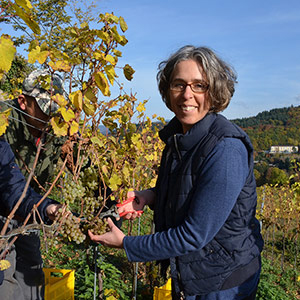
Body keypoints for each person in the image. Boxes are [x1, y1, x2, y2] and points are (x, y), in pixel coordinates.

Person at [88, 45, 264, 300]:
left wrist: (126, 244)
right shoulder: (179, 138)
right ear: (167, 90)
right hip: (195, 273)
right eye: (178, 84)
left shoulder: (226, 149)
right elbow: (190, 191)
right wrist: (150, 196)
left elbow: (194, 234)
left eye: (198, 85)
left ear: (214, 91)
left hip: (223, 282)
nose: (186, 95)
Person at [0, 69, 67, 300]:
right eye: (45, 109)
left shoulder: (55, 128)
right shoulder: (4, 121)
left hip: (30, 208)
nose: (51, 117)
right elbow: (9, 185)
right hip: (5, 210)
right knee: (5, 280)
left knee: (32, 272)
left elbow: (81, 159)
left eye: (55, 111)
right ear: (23, 101)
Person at [0, 138, 60, 298]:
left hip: (20, 213)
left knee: (10, 285)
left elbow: (12, 187)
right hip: (9, 216)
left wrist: (46, 207)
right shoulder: (10, 125)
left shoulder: (0, 145)